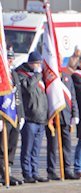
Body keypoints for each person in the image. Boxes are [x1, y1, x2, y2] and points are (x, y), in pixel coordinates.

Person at [16, 51, 48, 183]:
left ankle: (35, 172)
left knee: (36, 149)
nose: (39, 66)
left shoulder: (39, 76)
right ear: (31, 63)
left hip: (41, 117)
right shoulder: (21, 74)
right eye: (37, 63)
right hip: (30, 116)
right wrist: (36, 75)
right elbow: (28, 88)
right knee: (27, 148)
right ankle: (27, 173)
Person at [45, 65, 78, 180]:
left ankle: (67, 169)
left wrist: (75, 114)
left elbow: (72, 97)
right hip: (53, 117)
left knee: (67, 145)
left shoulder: (67, 77)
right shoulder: (49, 78)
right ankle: (52, 170)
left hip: (66, 116)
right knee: (53, 146)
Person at [0, 49, 24, 186]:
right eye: (8, 58)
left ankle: (8, 171)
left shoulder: (13, 74)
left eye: (11, 58)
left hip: (14, 114)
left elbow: (18, 95)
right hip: (3, 115)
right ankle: (3, 174)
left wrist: (21, 115)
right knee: (2, 147)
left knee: (12, 145)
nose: (10, 61)